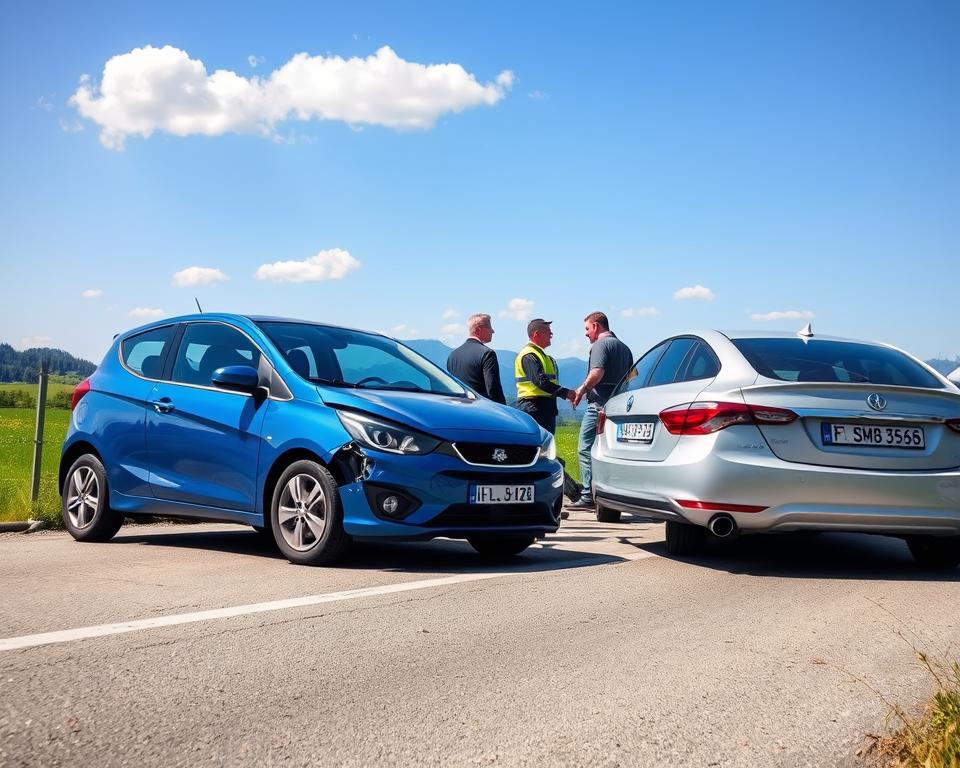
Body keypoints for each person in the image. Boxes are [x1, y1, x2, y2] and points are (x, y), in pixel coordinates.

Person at [567, 311, 633, 511]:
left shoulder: (600, 345)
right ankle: (610, 492)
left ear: (596, 326)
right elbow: (631, 377)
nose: (586, 334)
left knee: (584, 448)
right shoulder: (625, 348)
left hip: (598, 405)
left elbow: (597, 371)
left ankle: (588, 493)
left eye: (587, 329)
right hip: (617, 406)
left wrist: (581, 389)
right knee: (609, 451)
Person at [514, 318, 576, 435]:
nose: (551, 334)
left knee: (545, 445)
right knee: (539, 445)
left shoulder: (541, 355)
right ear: (537, 334)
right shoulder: (529, 355)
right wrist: (566, 393)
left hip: (542, 408)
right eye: (548, 331)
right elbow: (541, 382)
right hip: (533, 408)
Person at [446, 313, 506, 404]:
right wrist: (504, 411)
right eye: (489, 327)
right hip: (480, 408)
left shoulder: (452, 356)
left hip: (458, 408)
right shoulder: (487, 354)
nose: (493, 331)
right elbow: (493, 390)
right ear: (478, 330)